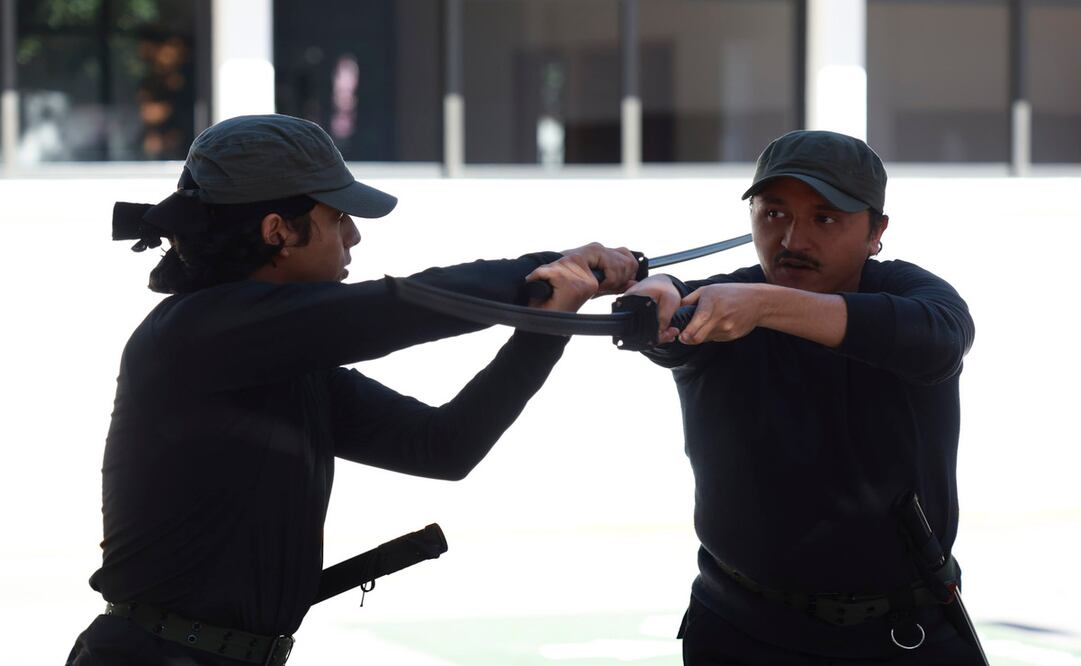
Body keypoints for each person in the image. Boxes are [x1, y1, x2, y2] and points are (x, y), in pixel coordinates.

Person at [66, 114, 638, 666]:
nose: (354, 236)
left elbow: (443, 447)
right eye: (338, 217)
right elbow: (396, 308)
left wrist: (545, 324)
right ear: (277, 231)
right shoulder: (197, 333)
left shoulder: (275, 355)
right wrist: (548, 268)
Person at [624, 130, 979, 664]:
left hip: (902, 632)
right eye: (774, 214)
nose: (793, 240)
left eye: (825, 219)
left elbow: (939, 339)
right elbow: (672, 318)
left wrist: (765, 306)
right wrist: (657, 292)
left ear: (876, 232)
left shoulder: (910, 296)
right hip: (737, 628)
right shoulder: (725, 304)